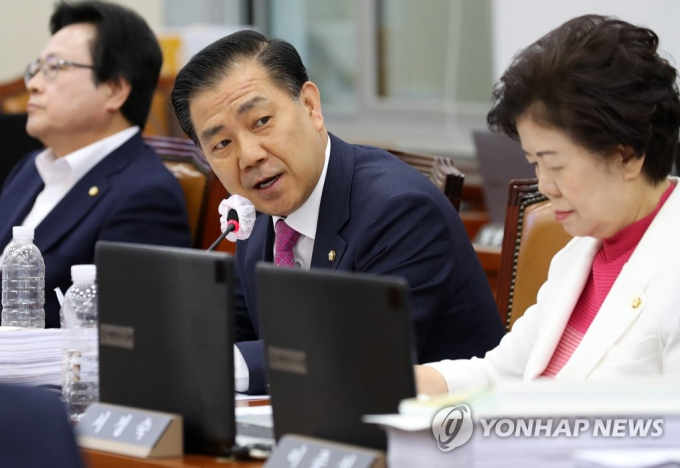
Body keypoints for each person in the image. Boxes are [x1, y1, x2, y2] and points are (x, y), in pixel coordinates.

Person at [171, 30, 504, 394]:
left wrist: (223, 363)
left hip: (447, 424)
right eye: (222, 143)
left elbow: (361, 355)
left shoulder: (401, 210)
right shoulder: (258, 216)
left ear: (311, 106)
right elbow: (229, 332)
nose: (250, 156)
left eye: (262, 121)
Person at [417, 14, 680, 395]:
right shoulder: (576, 256)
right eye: (535, 164)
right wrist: (400, 380)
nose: (544, 186)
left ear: (628, 156)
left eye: (555, 165)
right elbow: (496, 376)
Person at [0, 1, 192, 328]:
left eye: (54, 67)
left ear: (114, 89)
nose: (33, 84)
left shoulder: (146, 195)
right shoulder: (31, 168)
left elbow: (120, 336)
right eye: (36, 68)